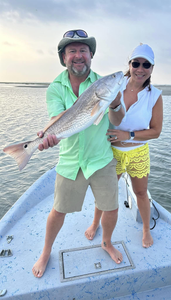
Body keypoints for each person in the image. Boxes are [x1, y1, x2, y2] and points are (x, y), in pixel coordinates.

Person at [32, 29, 125, 278]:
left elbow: (116, 120)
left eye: (83, 50)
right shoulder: (55, 88)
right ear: (64, 58)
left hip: (101, 159)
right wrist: (49, 134)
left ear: (91, 55)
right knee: (58, 210)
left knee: (111, 208)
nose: (78, 55)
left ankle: (106, 242)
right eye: (72, 51)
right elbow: (57, 119)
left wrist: (115, 103)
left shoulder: (104, 84)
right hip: (71, 160)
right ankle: (45, 251)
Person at [85, 43, 163, 248]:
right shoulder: (114, 86)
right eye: (136, 63)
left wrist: (127, 134)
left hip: (138, 152)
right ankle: (95, 223)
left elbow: (155, 131)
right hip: (111, 152)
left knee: (141, 193)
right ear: (129, 64)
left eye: (146, 65)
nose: (140, 69)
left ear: (152, 68)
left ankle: (146, 229)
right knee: (106, 194)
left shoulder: (155, 95)